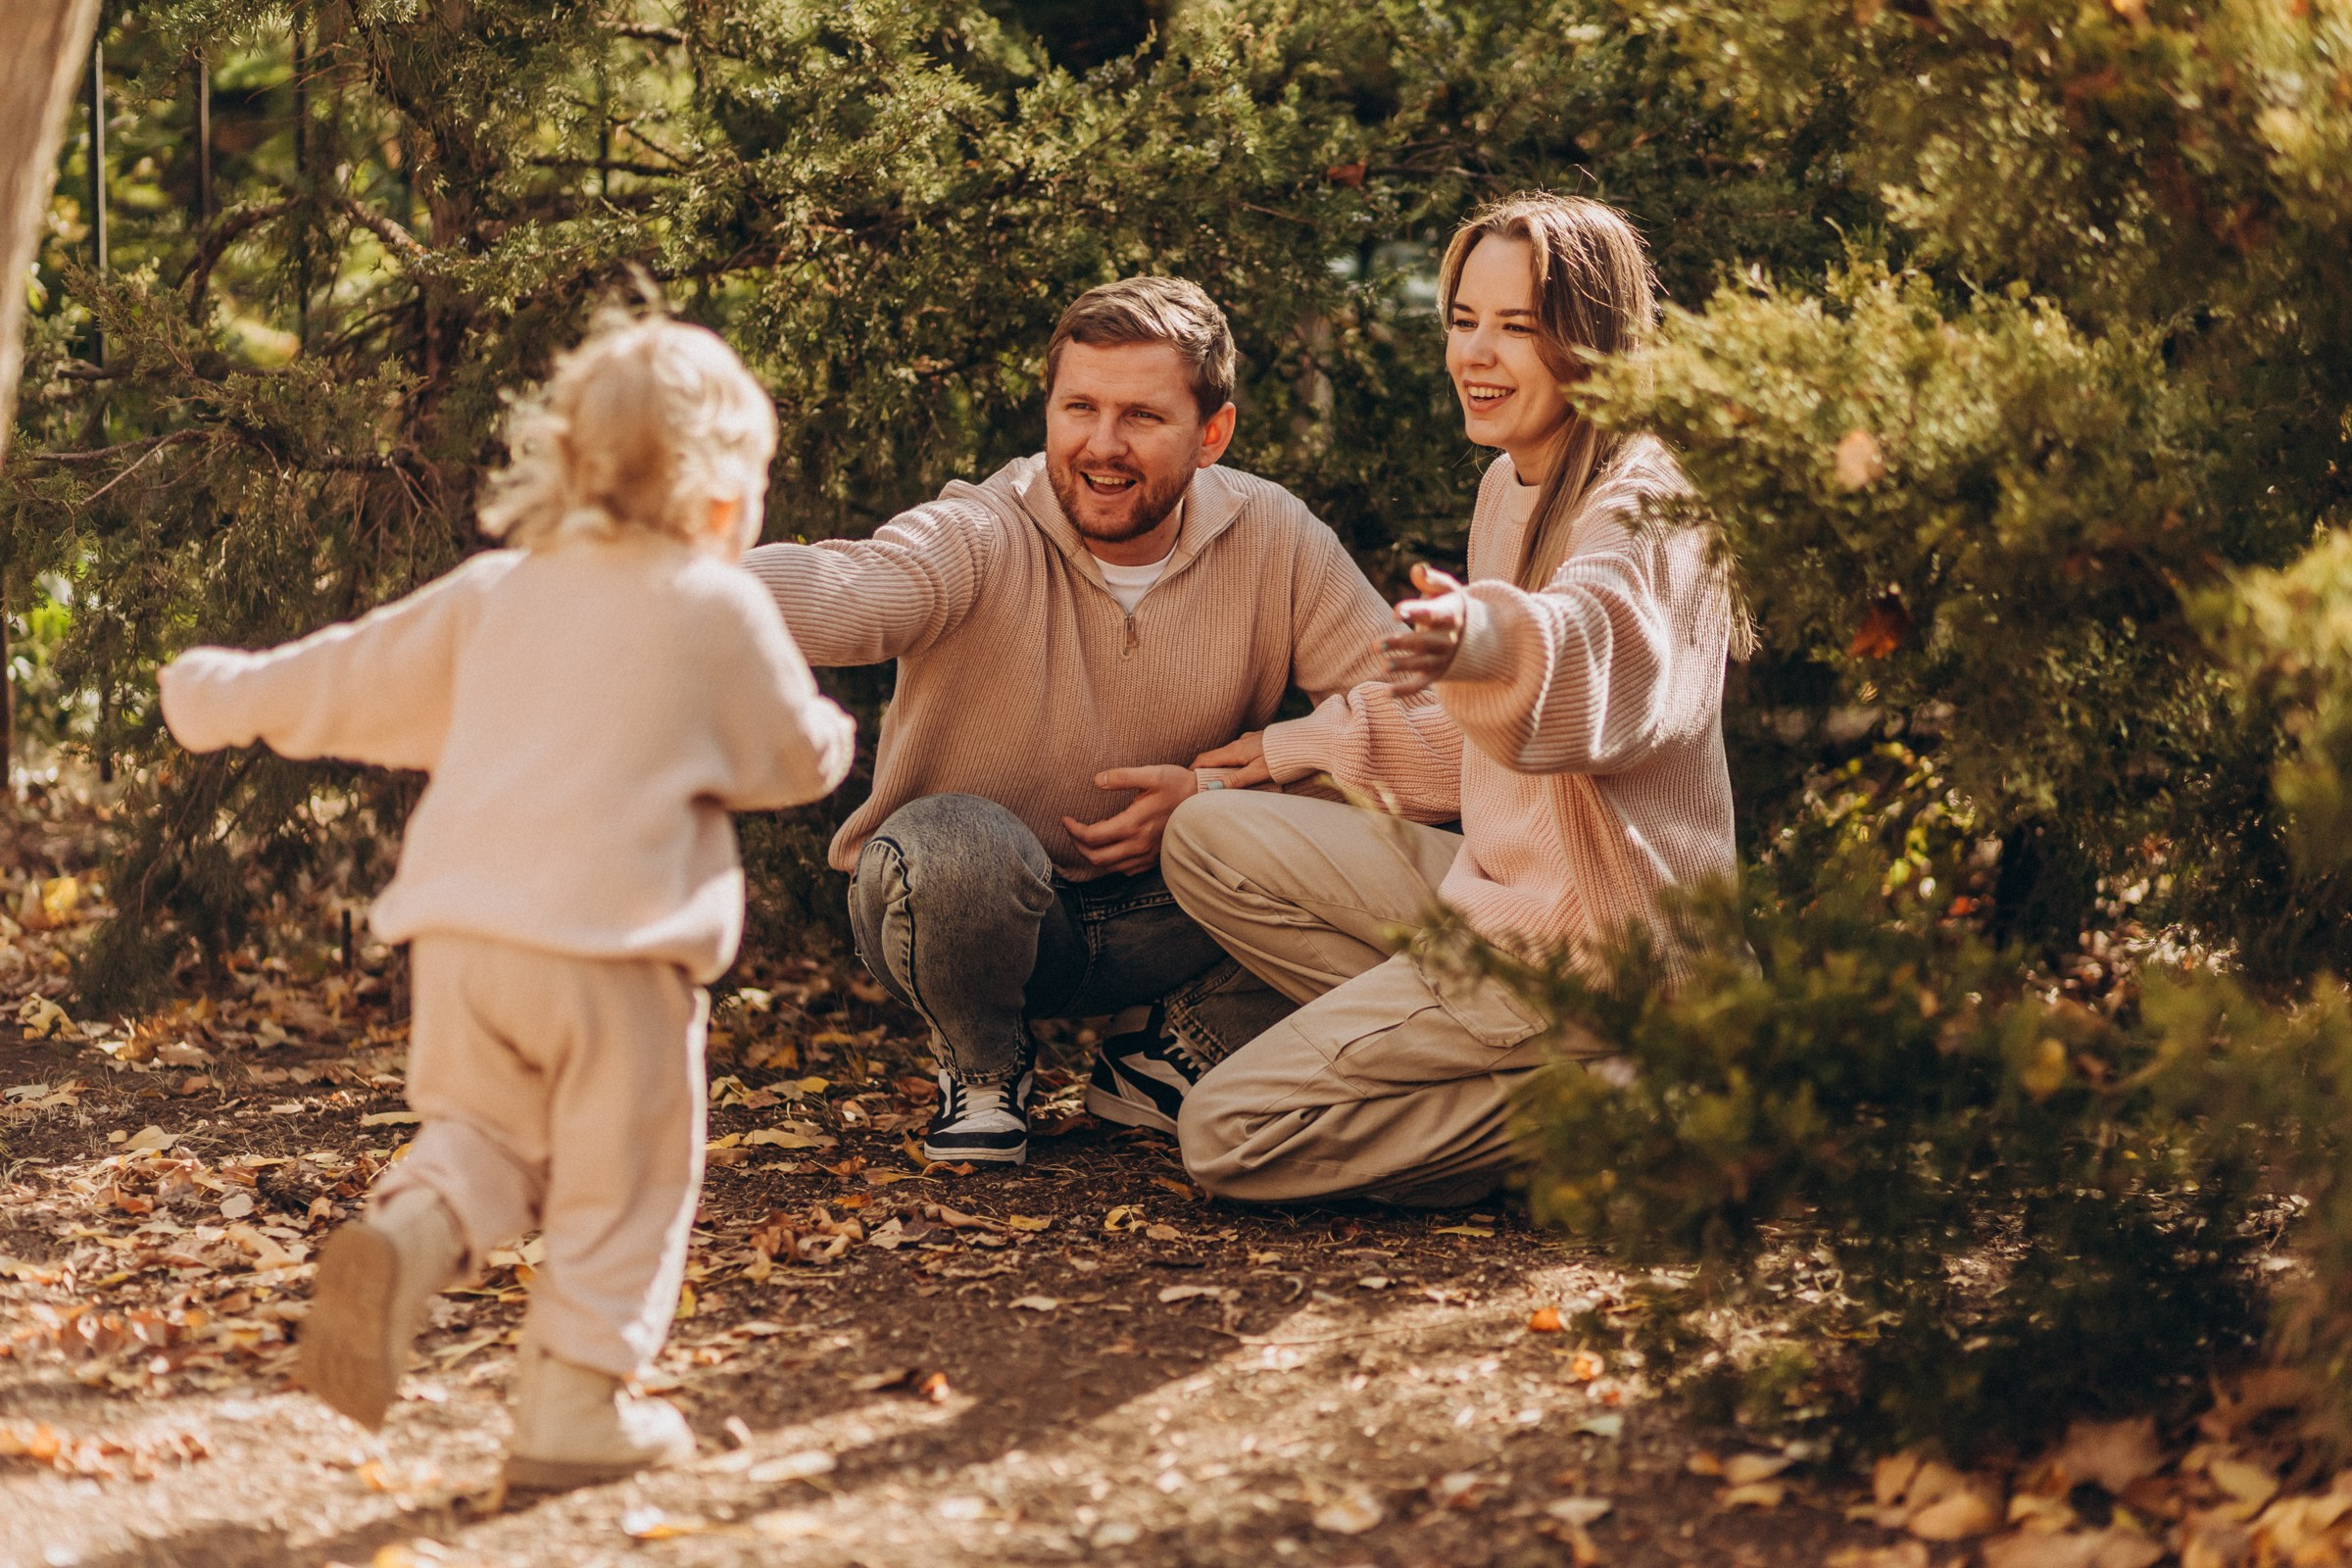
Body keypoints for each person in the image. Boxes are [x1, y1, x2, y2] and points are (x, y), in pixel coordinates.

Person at [156, 314, 856, 1488]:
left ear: (566, 457)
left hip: (466, 941)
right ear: (729, 495)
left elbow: (343, 678)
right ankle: (573, 1407)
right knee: (625, 1175)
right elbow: (790, 759)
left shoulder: (495, 593)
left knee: (483, 1139)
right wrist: (830, 737)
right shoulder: (715, 604)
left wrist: (214, 694)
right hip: (615, 951)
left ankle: (409, 1231)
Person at [745, 275, 1452, 1165]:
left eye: (1142, 417)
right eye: (1078, 407)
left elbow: (1433, 734)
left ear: (1212, 433)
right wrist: (688, 579)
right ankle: (984, 1065)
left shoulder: (1275, 535)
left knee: (1395, 861)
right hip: (966, 910)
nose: (1101, 446)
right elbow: (867, 584)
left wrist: (1223, 787)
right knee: (950, 844)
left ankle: (1168, 1053)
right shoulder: (987, 526)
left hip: (1175, 918)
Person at [1164, 193, 1740, 1208]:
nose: (1475, 353)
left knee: (1225, 1132)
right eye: (1463, 319)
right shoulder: (1511, 484)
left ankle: (1622, 1098)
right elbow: (1489, 749)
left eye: (1517, 327)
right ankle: (1509, 1070)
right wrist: (1295, 746)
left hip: (1598, 958)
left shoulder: (1648, 508)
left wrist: (1485, 637)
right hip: (1500, 904)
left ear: (1595, 340)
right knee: (1204, 834)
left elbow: (1594, 654)